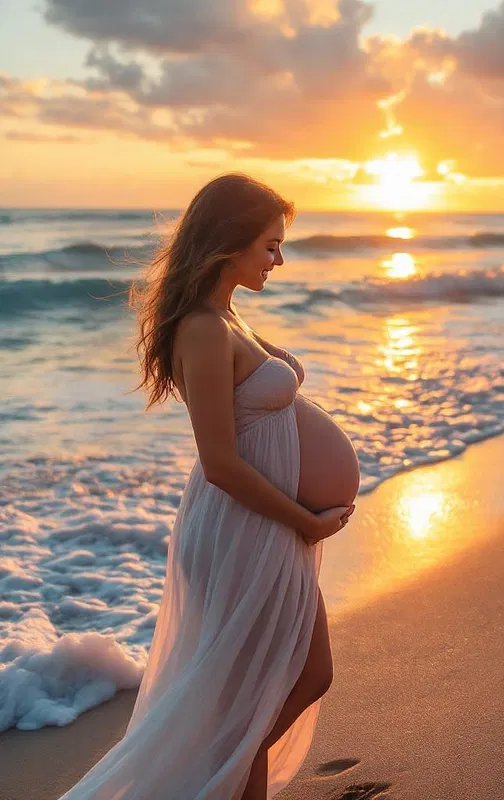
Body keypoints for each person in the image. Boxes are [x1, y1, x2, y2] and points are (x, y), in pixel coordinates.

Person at [58, 173, 360, 799]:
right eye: (270, 245)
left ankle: (213, 774)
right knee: (268, 692)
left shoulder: (228, 315)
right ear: (230, 242)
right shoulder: (201, 328)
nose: (280, 259)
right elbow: (220, 463)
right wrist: (304, 520)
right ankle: (209, 779)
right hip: (243, 527)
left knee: (301, 678)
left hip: (270, 525)